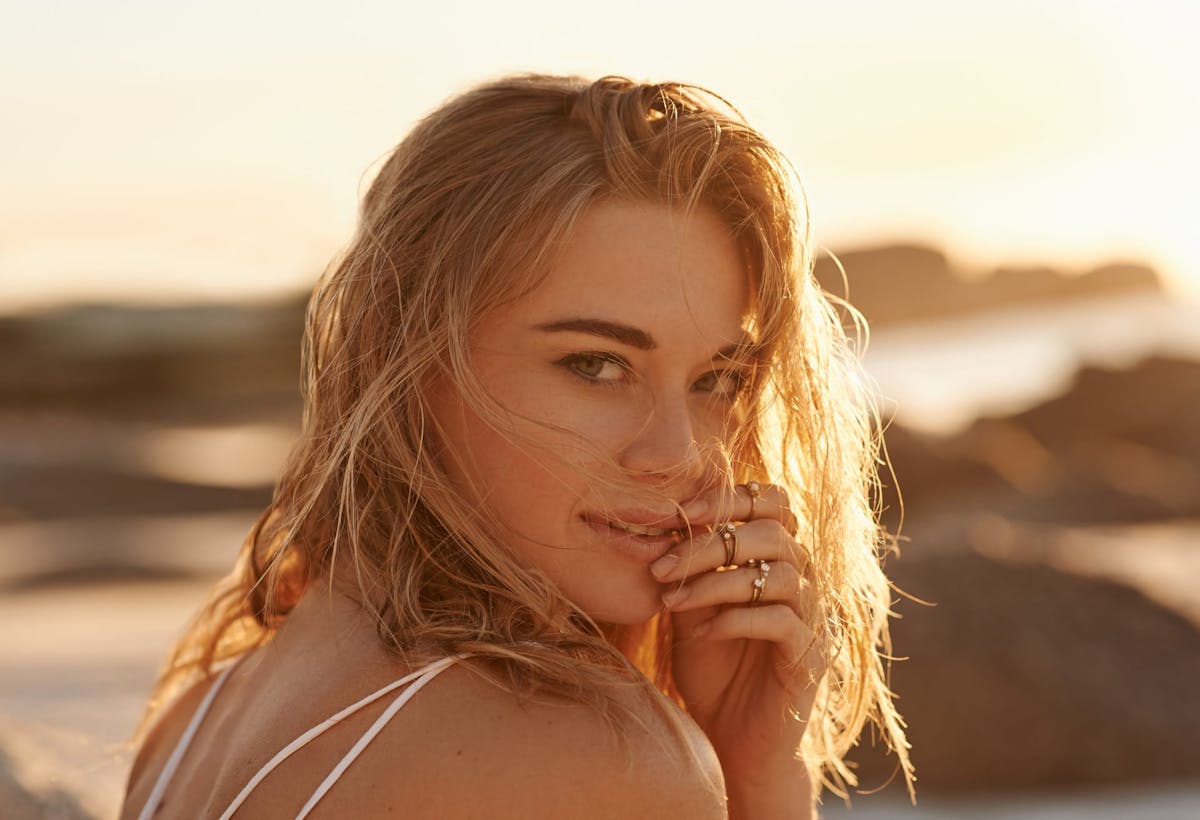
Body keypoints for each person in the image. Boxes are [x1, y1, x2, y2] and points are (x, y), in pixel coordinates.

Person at [120, 73, 913, 819]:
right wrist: (763, 788)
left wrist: (747, 764)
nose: (679, 453)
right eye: (596, 366)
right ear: (408, 362)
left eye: (718, 380)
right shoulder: (598, 764)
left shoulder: (196, 717)